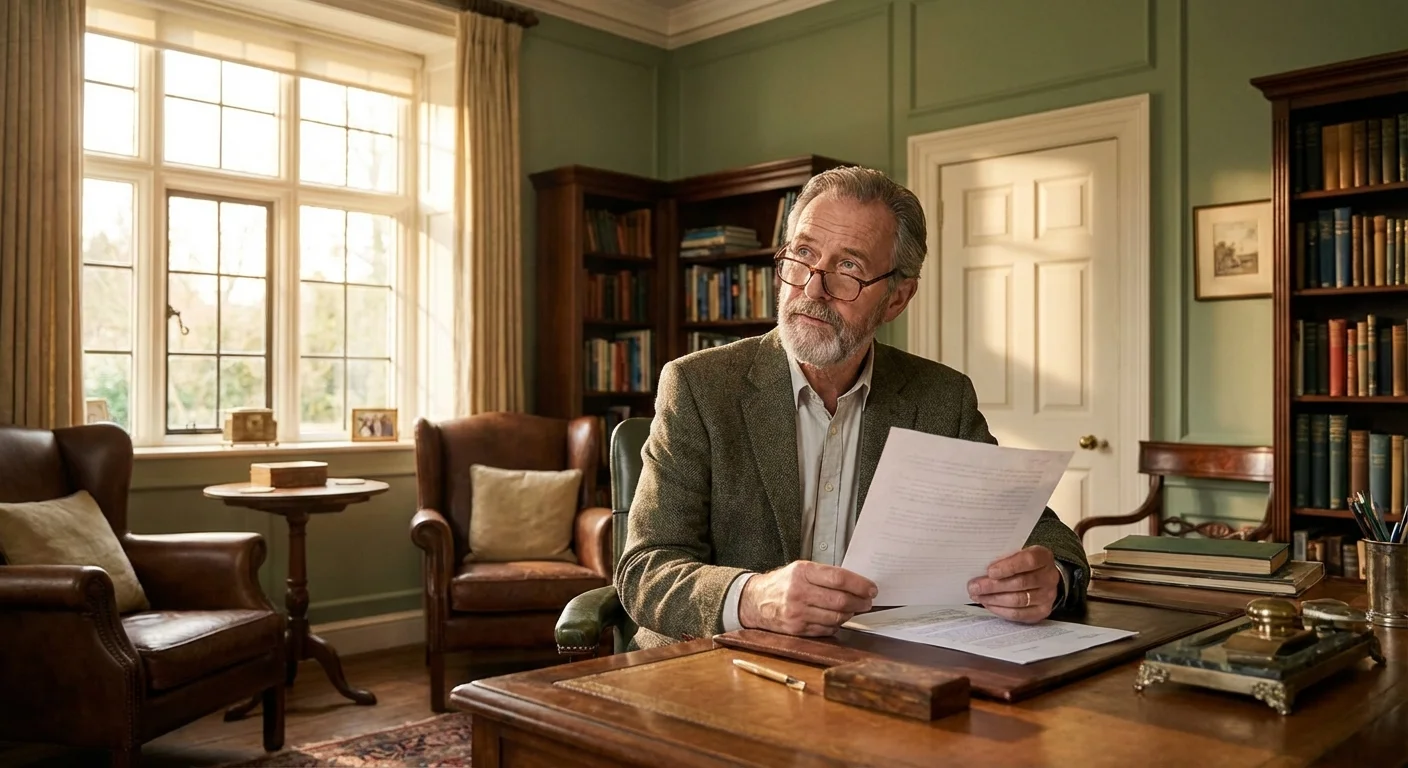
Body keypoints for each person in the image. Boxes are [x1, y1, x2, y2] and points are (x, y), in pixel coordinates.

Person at [615, 166, 1091, 651]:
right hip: (716, 668)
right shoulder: (699, 386)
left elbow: (1038, 528)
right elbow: (646, 570)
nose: (812, 290)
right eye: (802, 255)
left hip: (873, 667)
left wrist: (1051, 575)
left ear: (897, 298)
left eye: (849, 269)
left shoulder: (942, 398)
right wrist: (753, 597)